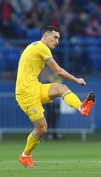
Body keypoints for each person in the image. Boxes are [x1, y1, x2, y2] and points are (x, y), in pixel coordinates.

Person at [15, 26, 95, 168]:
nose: (57, 41)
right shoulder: (41, 47)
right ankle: (25, 155)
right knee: (42, 129)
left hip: (35, 87)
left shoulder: (35, 46)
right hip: (26, 93)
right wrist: (77, 80)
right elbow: (58, 71)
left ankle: (81, 107)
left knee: (61, 88)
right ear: (45, 37)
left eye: (58, 38)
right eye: (55, 37)